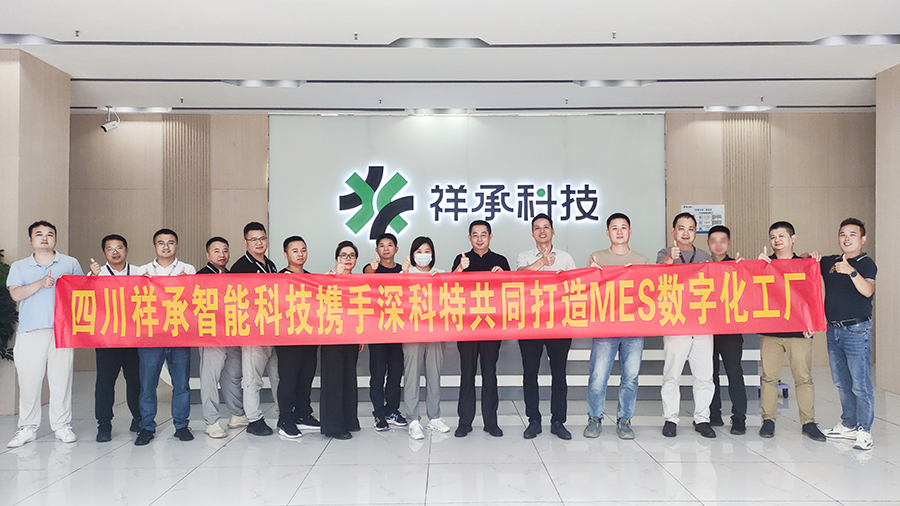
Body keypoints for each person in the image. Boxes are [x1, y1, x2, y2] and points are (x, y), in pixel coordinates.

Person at [6, 221, 84, 448]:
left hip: (62, 331)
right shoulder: (20, 266)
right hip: (31, 331)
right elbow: (16, 294)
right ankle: (27, 427)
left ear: (55, 239)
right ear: (30, 239)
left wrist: (82, 279)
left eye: (49, 234)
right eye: (39, 234)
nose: (44, 238)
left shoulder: (69, 263)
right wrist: (40, 283)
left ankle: (62, 425)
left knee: (61, 380)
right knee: (29, 381)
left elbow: (83, 291)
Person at [809, 218, 876, 451]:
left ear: (863, 239)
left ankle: (864, 431)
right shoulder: (831, 262)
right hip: (833, 329)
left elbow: (868, 291)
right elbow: (805, 263)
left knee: (860, 383)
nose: (846, 238)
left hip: (857, 330)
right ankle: (848, 425)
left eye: (852, 234)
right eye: (842, 234)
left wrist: (851, 272)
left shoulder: (866, 264)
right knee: (841, 381)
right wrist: (811, 255)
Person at [756, 222, 826, 441]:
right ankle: (768, 421)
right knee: (769, 378)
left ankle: (808, 422)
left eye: (782, 236)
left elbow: (813, 296)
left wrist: (813, 323)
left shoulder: (805, 264)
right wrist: (756, 266)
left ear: (792, 238)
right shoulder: (764, 264)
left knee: (803, 378)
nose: (777, 240)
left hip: (799, 332)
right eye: (773, 237)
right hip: (770, 332)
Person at [584, 213, 650, 440]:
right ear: (607, 232)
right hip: (605, 328)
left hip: (634, 329)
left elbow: (651, 293)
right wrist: (592, 273)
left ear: (630, 231)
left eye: (623, 227)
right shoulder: (597, 257)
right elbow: (587, 291)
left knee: (630, 377)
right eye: (614, 228)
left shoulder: (642, 260)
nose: (619, 232)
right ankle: (594, 418)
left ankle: (625, 420)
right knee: (598, 376)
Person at [515, 214, 577, 440]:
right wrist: (542, 262)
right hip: (530, 322)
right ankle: (533, 420)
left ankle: (558, 421)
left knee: (559, 373)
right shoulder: (524, 257)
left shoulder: (566, 258)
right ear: (532, 233)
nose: (542, 231)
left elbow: (574, 286)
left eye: (546, 227)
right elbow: (519, 277)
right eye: (537, 228)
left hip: (559, 323)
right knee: (530, 373)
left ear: (553, 231)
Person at [134, 228, 197, 445]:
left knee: (181, 384)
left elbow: (194, 299)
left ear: (176, 246)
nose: (166, 247)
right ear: (154, 247)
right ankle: (147, 427)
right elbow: (134, 300)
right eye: (161, 243)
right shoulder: (142, 270)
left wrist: (186, 283)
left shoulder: (187, 269)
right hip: (151, 335)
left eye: (170, 242)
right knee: (148, 384)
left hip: (179, 334)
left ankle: (181, 425)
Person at [657, 212, 716, 438]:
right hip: (676, 324)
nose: (685, 233)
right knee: (672, 374)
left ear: (695, 232)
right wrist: (669, 259)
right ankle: (670, 418)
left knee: (704, 376)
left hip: (702, 325)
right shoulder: (664, 253)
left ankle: (702, 418)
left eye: (690, 229)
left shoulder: (704, 256)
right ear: (673, 231)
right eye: (681, 228)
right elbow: (656, 278)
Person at [451, 220, 510, 438]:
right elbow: (448, 288)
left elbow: (510, 291)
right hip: (467, 326)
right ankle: (464, 422)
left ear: (490, 237)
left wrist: (503, 276)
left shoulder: (500, 261)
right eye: (475, 235)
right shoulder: (462, 259)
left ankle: (491, 422)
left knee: (489, 373)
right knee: (467, 373)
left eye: (483, 234)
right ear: (469, 238)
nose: (479, 239)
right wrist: (460, 269)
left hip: (491, 326)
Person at [88, 234, 142, 442]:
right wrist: (92, 278)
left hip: (134, 337)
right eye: (110, 249)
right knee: (105, 382)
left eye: (119, 247)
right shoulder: (97, 273)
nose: (115, 252)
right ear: (104, 253)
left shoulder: (139, 272)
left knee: (135, 381)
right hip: (107, 337)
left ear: (126, 250)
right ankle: (104, 424)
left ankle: (138, 418)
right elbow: (85, 297)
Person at [229, 222, 280, 436]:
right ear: (245, 242)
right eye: (254, 239)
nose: (259, 243)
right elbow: (234, 300)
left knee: (278, 376)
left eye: (262, 238)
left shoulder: (271, 264)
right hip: (253, 331)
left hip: (274, 329)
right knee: (252, 378)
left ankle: (284, 414)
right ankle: (254, 419)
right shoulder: (240, 267)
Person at [196, 237, 249, 439]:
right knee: (210, 377)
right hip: (211, 336)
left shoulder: (232, 275)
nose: (222, 255)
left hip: (232, 332)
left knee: (233, 374)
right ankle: (211, 421)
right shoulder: (201, 276)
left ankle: (237, 414)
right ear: (208, 255)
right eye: (216, 251)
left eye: (225, 250)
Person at [401, 236, 450, 440]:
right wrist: (404, 274)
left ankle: (434, 417)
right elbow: (396, 298)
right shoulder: (404, 273)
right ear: (412, 255)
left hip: (435, 330)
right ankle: (413, 420)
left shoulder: (440, 273)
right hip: (412, 330)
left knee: (434, 374)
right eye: (419, 251)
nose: (423, 255)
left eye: (427, 251)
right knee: (412, 375)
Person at [275, 236, 321, 438]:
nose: (300, 254)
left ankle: (303, 414)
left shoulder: (311, 278)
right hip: (288, 338)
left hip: (309, 336)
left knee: (306, 376)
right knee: (289, 378)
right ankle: (285, 419)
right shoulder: (279, 278)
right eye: (295, 251)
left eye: (303, 250)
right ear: (286, 255)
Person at [362, 233, 408, 431]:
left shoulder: (402, 270)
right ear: (377, 250)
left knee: (395, 374)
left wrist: (407, 273)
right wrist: (372, 269)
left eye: (390, 245)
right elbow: (366, 279)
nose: (386, 248)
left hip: (398, 328)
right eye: (382, 245)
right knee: (378, 374)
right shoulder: (371, 268)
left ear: (396, 249)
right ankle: (379, 414)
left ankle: (392, 410)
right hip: (377, 329)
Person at [705, 225, 748, 436]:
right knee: (710, 374)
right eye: (714, 241)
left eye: (722, 240)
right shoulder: (702, 267)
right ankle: (714, 414)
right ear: (708, 244)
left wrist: (747, 268)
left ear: (729, 243)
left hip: (731, 330)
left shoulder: (737, 266)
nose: (718, 245)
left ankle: (739, 418)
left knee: (734, 373)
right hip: (707, 329)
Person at [319, 241, 363, 440]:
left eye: (351, 255)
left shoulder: (357, 281)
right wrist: (333, 276)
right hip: (332, 336)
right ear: (337, 258)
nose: (347, 259)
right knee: (333, 380)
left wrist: (361, 335)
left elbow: (361, 311)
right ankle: (333, 426)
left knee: (348, 378)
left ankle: (349, 420)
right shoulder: (326, 278)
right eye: (344, 255)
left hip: (351, 335)